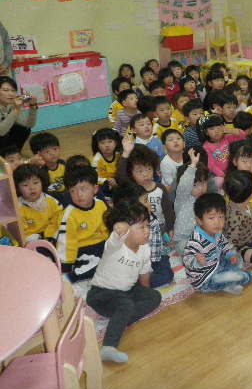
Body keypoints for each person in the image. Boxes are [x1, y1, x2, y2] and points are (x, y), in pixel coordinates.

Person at [86, 201, 161, 363]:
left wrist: (145, 293)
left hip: (127, 290)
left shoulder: (145, 248)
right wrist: (119, 229)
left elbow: (144, 275)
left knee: (155, 296)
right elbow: (115, 237)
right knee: (126, 305)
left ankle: (120, 318)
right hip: (101, 294)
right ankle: (108, 347)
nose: (147, 231)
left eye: (147, 226)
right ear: (126, 231)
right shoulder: (115, 246)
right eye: (141, 227)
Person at [184, 192, 252, 295]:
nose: (217, 222)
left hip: (217, 264)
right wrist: (197, 261)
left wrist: (230, 254)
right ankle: (250, 276)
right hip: (205, 278)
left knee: (238, 258)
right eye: (211, 218)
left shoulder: (217, 232)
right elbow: (187, 259)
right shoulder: (196, 240)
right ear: (199, 220)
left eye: (221, 217)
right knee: (235, 276)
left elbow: (224, 245)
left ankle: (228, 285)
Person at [56, 166, 109, 281]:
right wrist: (66, 266)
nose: (79, 194)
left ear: (95, 189)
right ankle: (70, 277)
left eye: (83, 189)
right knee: (99, 264)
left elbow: (106, 229)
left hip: (102, 245)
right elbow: (66, 242)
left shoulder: (100, 204)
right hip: (83, 251)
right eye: (73, 191)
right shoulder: (69, 215)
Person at [14, 164, 62, 244]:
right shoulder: (17, 208)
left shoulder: (52, 202)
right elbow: (23, 233)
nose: (32, 188)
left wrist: (49, 236)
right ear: (17, 188)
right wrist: (39, 239)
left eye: (35, 182)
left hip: (52, 238)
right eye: (25, 185)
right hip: (32, 243)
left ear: (42, 182)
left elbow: (58, 221)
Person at [173, 148, 209, 254]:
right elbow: (184, 185)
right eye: (195, 185)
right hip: (184, 239)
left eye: (203, 183)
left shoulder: (205, 200)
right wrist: (192, 165)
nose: (201, 188)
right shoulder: (183, 198)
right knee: (189, 248)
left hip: (201, 237)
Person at [0, 76, 37, 151]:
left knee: (23, 129)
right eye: (6, 90)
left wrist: (33, 106)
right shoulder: (15, 106)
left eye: (13, 90)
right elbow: (1, 132)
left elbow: (29, 124)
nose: (10, 94)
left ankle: (14, 153)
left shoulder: (13, 104)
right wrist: (16, 110)